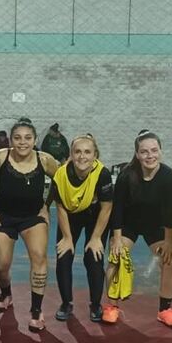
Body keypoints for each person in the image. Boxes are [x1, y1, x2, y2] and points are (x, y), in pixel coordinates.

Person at [0, 118, 60, 332]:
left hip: (32, 217)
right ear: (11, 140)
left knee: (39, 257)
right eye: (17, 138)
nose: (22, 142)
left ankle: (36, 311)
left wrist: (47, 205)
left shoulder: (45, 159)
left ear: (35, 140)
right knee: (0, 266)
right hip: (4, 217)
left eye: (28, 138)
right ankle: (6, 293)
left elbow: (59, 179)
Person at [102, 130, 172, 325]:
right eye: (144, 152)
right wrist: (117, 239)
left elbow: (170, 213)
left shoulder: (169, 177)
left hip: (155, 226)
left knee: (170, 260)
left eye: (154, 150)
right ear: (137, 154)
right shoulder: (126, 176)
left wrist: (169, 241)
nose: (149, 156)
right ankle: (112, 306)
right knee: (116, 258)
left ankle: (165, 309)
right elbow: (117, 210)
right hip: (128, 225)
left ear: (160, 151)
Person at [51, 134, 113, 323]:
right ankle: (66, 303)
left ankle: (95, 304)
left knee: (93, 258)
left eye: (87, 152)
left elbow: (107, 207)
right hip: (70, 214)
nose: (82, 156)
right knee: (64, 255)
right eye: (77, 151)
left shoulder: (102, 174)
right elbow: (60, 206)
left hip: (96, 215)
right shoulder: (60, 174)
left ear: (95, 155)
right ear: (71, 154)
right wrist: (67, 238)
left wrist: (95, 238)